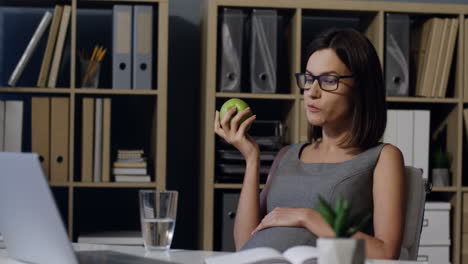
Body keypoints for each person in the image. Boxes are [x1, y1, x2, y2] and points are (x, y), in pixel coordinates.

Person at [213, 27, 405, 260]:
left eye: (328, 80)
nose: (312, 92)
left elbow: (386, 253)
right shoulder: (287, 154)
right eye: (309, 78)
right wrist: (251, 158)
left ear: (360, 88)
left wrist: (308, 217)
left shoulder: (383, 157)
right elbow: (244, 243)